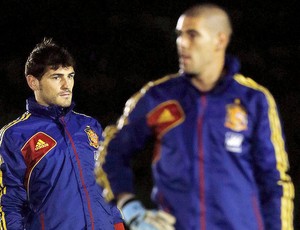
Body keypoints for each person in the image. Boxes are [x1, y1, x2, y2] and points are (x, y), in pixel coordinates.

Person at [94, 3, 295, 230]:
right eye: (179, 35)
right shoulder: (159, 97)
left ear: (220, 40)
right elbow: (112, 150)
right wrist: (129, 206)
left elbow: (274, 181)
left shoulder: (254, 100)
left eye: (192, 35)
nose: (182, 43)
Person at [0, 38, 125, 230]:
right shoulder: (15, 135)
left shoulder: (89, 126)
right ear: (33, 82)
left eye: (71, 75)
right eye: (56, 77)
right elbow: (9, 204)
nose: (67, 85)